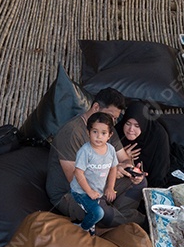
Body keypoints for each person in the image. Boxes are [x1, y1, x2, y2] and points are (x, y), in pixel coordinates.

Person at [46, 87, 146, 227]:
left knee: (140, 182)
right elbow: (76, 180)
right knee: (100, 212)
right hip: (70, 193)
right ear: (96, 107)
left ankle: (117, 218)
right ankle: (137, 222)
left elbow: (124, 158)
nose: (112, 121)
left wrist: (129, 168)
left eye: (115, 119)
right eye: (110, 116)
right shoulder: (71, 133)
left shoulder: (107, 128)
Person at [70, 113, 119, 233]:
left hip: (97, 191)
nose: (98, 136)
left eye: (103, 133)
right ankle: (82, 229)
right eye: (95, 132)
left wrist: (110, 187)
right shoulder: (86, 151)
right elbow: (78, 173)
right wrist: (89, 191)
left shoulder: (111, 150)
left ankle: (89, 225)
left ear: (109, 135)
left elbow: (114, 168)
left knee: (94, 211)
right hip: (81, 191)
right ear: (88, 133)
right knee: (98, 213)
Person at [118, 101, 171, 188]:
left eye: (137, 126)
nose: (131, 129)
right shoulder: (118, 133)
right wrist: (122, 157)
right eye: (128, 124)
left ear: (143, 125)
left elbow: (160, 170)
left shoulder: (158, 136)